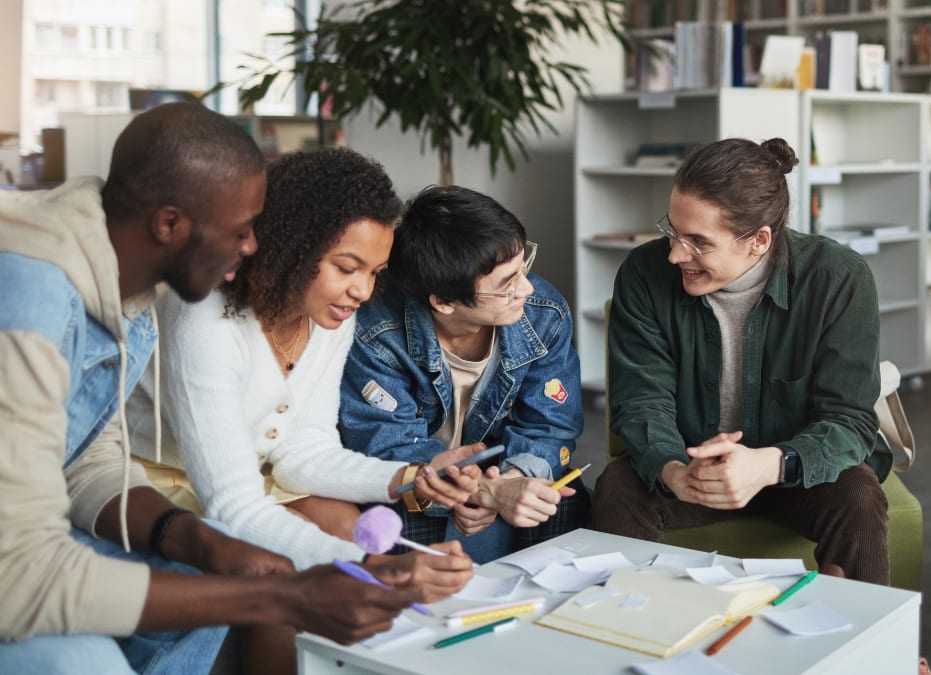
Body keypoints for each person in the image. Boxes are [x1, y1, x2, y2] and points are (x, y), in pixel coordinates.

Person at [0, 103, 461, 674]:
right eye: (241, 231)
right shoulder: (31, 302)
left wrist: (190, 539)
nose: (252, 248)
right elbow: (20, 578)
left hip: (51, 542)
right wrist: (284, 594)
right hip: (20, 571)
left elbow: (86, 458)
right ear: (170, 224)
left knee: (223, 559)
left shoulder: (125, 290)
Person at [125, 147, 480, 672]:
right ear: (291, 246)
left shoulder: (326, 312)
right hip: (156, 484)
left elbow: (302, 449)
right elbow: (230, 505)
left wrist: (410, 475)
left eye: (375, 272)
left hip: (249, 477)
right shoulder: (204, 315)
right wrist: (373, 566)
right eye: (347, 267)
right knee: (288, 559)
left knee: (337, 518)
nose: (363, 290)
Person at [592, 137, 892, 584]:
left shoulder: (837, 278)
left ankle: (873, 646)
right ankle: (625, 628)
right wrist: (675, 471)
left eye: (697, 242)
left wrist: (770, 464)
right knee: (617, 487)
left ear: (759, 241)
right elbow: (640, 400)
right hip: (691, 466)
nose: (676, 254)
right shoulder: (643, 273)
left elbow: (848, 419)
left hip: (796, 469)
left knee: (859, 495)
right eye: (672, 231)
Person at [340, 185, 590, 562]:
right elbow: (388, 449)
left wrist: (509, 482)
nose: (526, 288)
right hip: (420, 474)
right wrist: (477, 493)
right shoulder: (375, 331)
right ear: (443, 301)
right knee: (399, 513)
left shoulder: (542, 311)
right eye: (506, 283)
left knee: (562, 499)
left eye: (523, 266)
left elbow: (550, 427)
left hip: (502, 466)